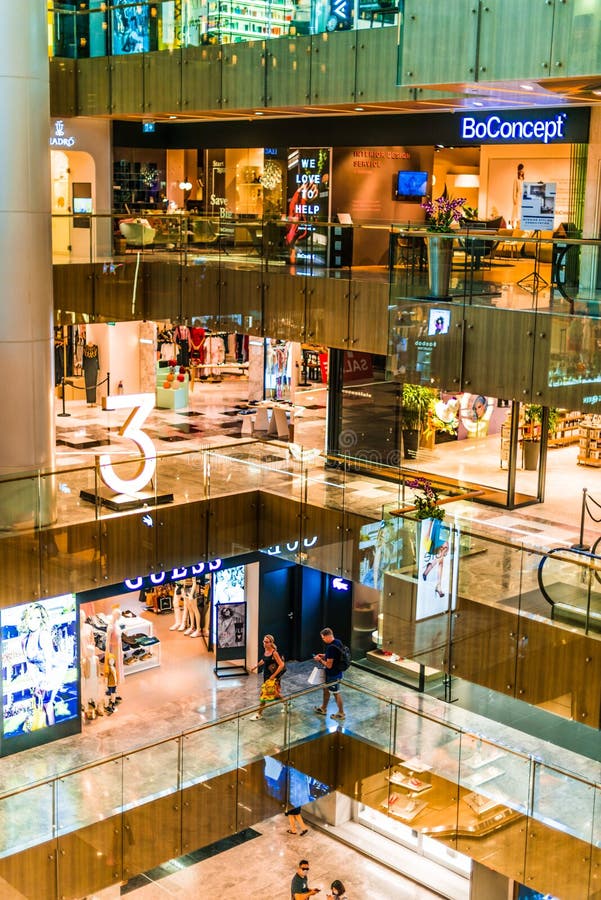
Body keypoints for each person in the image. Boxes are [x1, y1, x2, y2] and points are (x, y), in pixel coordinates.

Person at [19, 602, 64, 727]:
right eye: (31, 618)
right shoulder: (24, 641)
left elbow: (49, 661)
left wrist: (46, 682)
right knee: (41, 705)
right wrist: (36, 683)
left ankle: (53, 732)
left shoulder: (44, 635)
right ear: (26, 620)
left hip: (53, 671)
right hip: (40, 674)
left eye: (38, 617)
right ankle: (44, 730)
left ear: (41, 619)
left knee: (47, 704)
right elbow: (29, 663)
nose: (34, 621)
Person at [313, 627, 345, 721]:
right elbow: (334, 656)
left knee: (336, 693)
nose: (323, 640)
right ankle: (323, 708)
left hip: (333, 674)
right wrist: (324, 655)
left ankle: (341, 713)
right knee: (326, 689)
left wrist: (320, 660)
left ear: (327, 636)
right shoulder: (338, 642)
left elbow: (329, 665)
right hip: (337, 672)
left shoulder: (330, 648)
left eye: (323, 638)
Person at [250, 634, 285, 720]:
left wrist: (273, 676)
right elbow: (264, 660)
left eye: (266, 642)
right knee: (276, 694)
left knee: (263, 695)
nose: (264, 643)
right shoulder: (266, 650)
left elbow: (281, 665)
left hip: (273, 678)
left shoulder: (274, 653)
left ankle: (259, 714)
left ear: (271, 643)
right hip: (266, 676)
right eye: (264, 641)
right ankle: (287, 703)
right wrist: (256, 666)